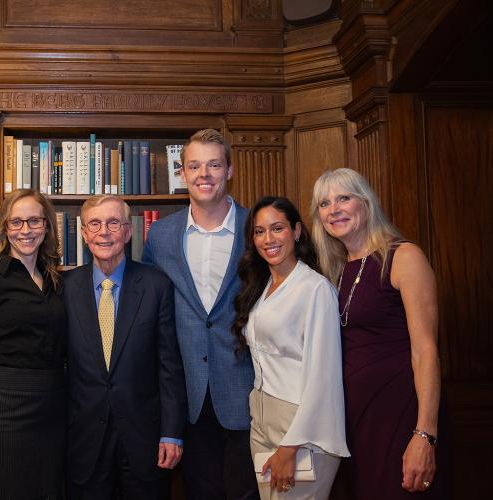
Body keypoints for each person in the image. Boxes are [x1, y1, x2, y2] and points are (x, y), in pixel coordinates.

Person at [311, 167, 448, 499]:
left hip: (400, 416)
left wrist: (424, 435)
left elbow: (426, 351)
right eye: (324, 203)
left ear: (366, 203)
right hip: (353, 424)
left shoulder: (403, 257)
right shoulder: (335, 270)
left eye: (344, 198)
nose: (334, 209)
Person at [143, 129, 258, 499]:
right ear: (182, 173)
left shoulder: (257, 229)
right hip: (188, 394)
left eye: (213, 165)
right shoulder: (160, 235)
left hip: (250, 389)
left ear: (229, 171)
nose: (203, 174)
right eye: (194, 166)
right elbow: (148, 306)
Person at [63, 195, 186, 500]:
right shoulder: (64, 288)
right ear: (84, 233)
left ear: (129, 232)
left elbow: (169, 366)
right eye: (95, 223)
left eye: (113, 223)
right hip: (84, 439)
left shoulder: (156, 286)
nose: (104, 231)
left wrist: (171, 432)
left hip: (144, 441)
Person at [233, 196, 349, 499]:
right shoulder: (262, 287)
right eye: (259, 232)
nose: (268, 239)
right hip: (261, 419)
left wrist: (290, 445)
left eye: (277, 228)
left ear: (296, 231)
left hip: (300, 427)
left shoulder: (316, 289)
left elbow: (323, 378)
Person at [0, 189, 66, 499]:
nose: (25, 230)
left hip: (53, 408)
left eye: (34, 221)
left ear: (47, 226)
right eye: (16, 222)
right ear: (5, 228)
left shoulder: (56, 281)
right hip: (6, 409)